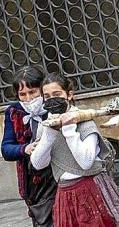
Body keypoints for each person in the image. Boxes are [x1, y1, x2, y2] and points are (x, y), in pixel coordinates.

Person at [30, 72, 119, 227]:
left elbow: (85, 162)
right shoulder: (47, 127)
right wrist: (49, 133)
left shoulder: (85, 123)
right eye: (47, 96)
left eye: (57, 94)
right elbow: (38, 164)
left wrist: (69, 130)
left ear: (68, 95)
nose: (52, 99)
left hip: (91, 191)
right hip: (64, 194)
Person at [1, 67, 57, 227]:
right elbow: (6, 149)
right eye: (23, 94)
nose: (28, 99)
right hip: (34, 182)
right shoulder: (14, 112)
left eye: (33, 92)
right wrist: (25, 148)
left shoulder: (54, 106)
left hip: (57, 173)